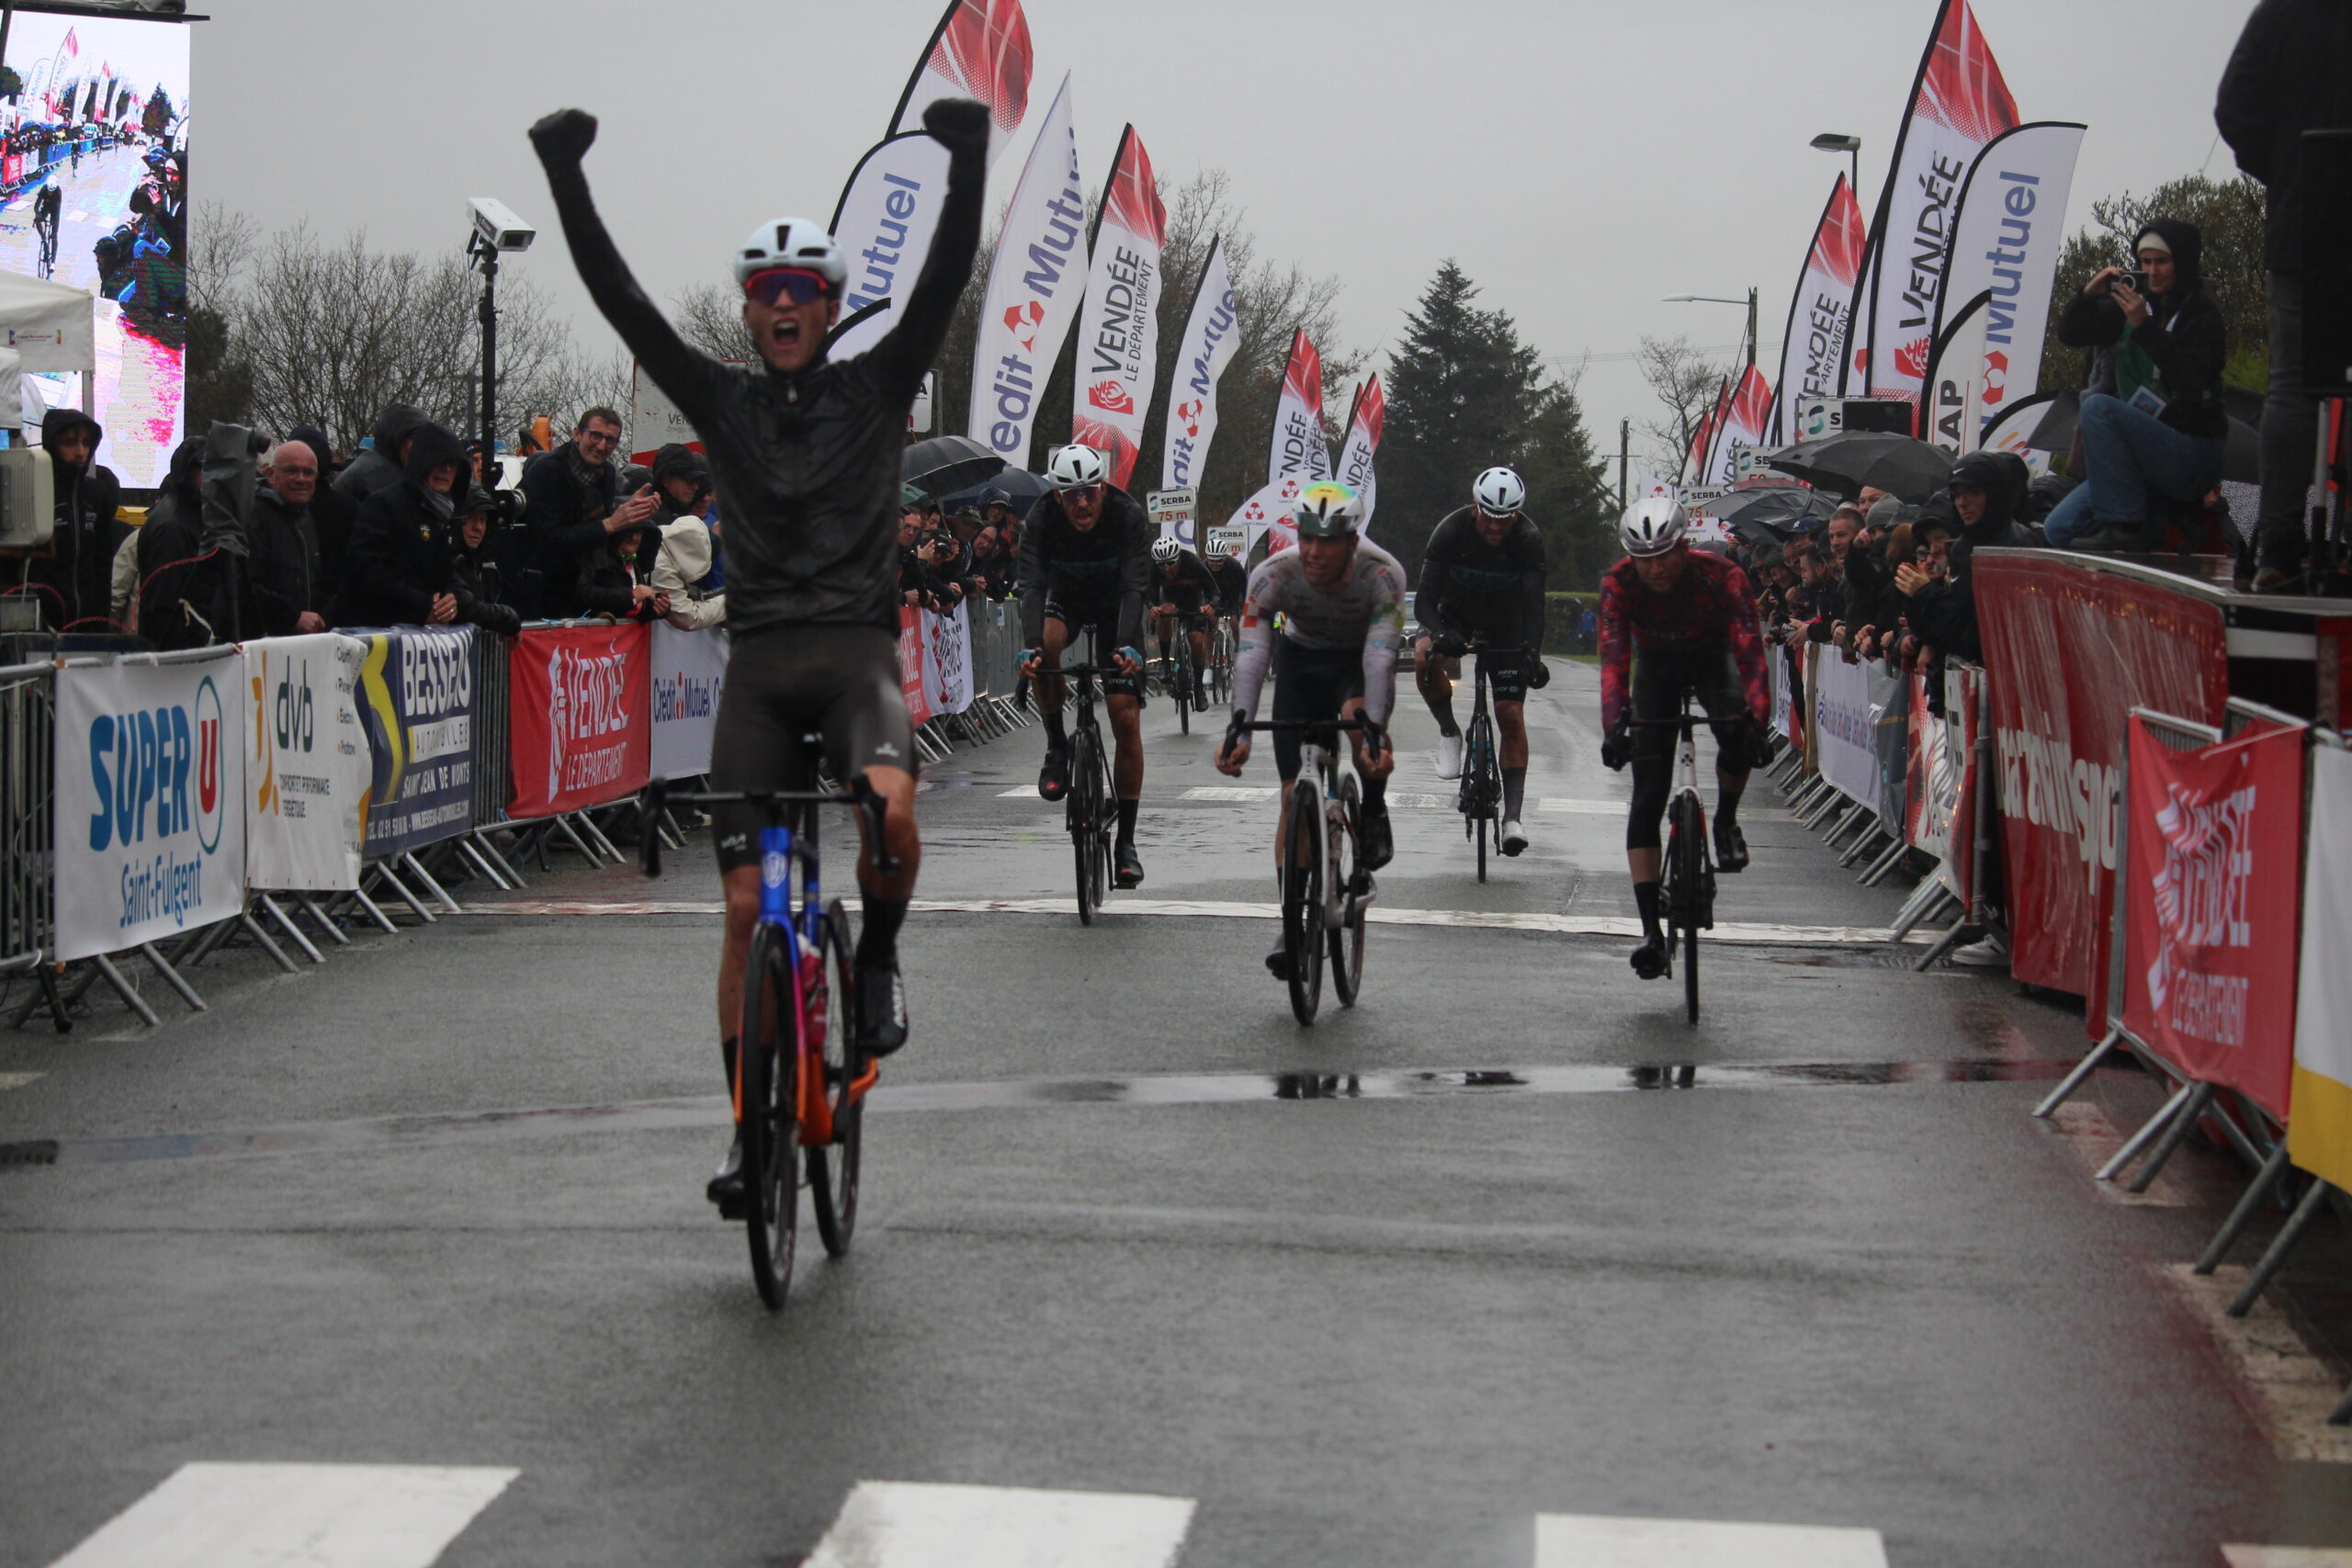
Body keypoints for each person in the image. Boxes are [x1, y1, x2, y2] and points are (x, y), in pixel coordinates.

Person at [530, 93, 986, 1210]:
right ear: (748, 310)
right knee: (744, 911)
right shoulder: (720, 399)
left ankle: (874, 959)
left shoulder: (876, 386)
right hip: (762, 675)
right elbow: (623, 302)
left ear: (829, 306)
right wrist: (566, 177)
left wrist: (968, 158)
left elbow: (941, 279)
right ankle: (748, 1130)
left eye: (803, 289)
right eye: (766, 290)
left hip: (856, 660)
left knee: (890, 810)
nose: (784, 304)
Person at [1214, 480, 1404, 976]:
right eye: (1307, 538)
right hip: (1300, 664)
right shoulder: (1273, 574)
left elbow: (1380, 659)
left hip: (1355, 663)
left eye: (1329, 541)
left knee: (1357, 724)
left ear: (1352, 540)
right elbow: (1252, 655)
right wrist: (1240, 731)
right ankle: (1291, 924)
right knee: (1290, 796)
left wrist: (1375, 734)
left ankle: (1374, 807)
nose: (1316, 552)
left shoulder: (1382, 573)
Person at [1596, 497, 1773, 981]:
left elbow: (1750, 654)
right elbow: (1613, 660)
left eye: (1664, 556)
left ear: (1682, 547)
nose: (1655, 568)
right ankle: (1650, 932)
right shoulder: (1619, 582)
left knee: (1735, 730)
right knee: (1648, 793)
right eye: (1644, 559)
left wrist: (1757, 723)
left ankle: (1726, 821)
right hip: (1656, 666)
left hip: (1712, 658)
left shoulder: (1722, 576)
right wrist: (1614, 728)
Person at [2216, 0, 2346, 588]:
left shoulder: (2284, 12)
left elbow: (2235, 108)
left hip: (2306, 217)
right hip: (2305, 212)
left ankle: (2278, 544)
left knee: (2291, 384)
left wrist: (2288, 167)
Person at [2043, 220, 2230, 551]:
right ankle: (2142, 531)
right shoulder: (2129, 305)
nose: (2152, 271)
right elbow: (2071, 334)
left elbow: (2191, 379)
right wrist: (2087, 296)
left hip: (2191, 448)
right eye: (2145, 262)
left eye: (2162, 262)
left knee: (2099, 408)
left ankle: (2125, 523)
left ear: (2182, 263)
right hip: (2142, 453)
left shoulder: (2202, 315)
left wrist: (2145, 326)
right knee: (2059, 529)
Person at [1016, 443, 1154, 887]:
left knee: (1124, 715)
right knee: (1045, 650)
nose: (1081, 503)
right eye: (1071, 494)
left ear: (1103, 488)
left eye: (1089, 492)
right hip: (1067, 600)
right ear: (1057, 496)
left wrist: (1128, 645)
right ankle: (1057, 746)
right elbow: (1032, 586)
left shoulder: (1127, 514)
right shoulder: (1040, 519)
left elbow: (1135, 586)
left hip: (1117, 608)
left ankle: (1126, 843)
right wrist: (1030, 646)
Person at [1413, 466, 1550, 853]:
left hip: (1507, 622)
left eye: (1505, 519)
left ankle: (1512, 820)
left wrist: (1532, 653)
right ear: (1475, 506)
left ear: (1517, 515)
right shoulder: (1450, 530)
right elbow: (1424, 601)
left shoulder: (1528, 539)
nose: (1495, 526)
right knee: (1423, 658)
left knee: (1510, 714)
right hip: (1454, 615)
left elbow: (1534, 606)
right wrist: (1441, 632)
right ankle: (1449, 733)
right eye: (1489, 516)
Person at [519, 406, 661, 617]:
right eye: (595, 436)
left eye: (610, 440)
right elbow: (547, 540)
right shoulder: (547, 470)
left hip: (581, 587)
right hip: (538, 590)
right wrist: (610, 524)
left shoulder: (608, 474)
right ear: (577, 434)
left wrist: (632, 516)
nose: (601, 446)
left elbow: (599, 549)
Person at [338, 422, 469, 627]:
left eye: (453, 464)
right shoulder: (383, 505)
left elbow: (448, 573)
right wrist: (422, 606)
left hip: (423, 635)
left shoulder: (447, 515)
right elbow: (367, 571)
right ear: (422, 461)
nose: (447, 469)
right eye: (440, 461)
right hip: (376, 631)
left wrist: (451, 599)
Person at [1895, 457, 2019, 665]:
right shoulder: (1962, 549)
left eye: (1973, 492)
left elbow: (1974, 634)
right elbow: (1946, 633)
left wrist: (1925, 593)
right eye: (1957, 495)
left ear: (1994, 494)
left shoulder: (2015, 544)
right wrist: (1916, 598)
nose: (1962, 502)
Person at [22, 409, 126, 633]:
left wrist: (101, 619)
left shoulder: (96, 494)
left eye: (86, 443)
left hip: (88, 623)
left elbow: (103, 563)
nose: (80, 452)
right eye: (70, 443)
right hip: (41, 623)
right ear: (52, 444)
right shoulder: (33, 492)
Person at [243, 439, 333, 637]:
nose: (301, 479)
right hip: (262, 644)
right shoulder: (253, 517)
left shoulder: (304, 519)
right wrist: (293, 617)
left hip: (299, 642)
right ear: (270, 474)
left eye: (308, 472)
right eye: (292, 471)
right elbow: (246, 585)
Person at [1147, 534, 1220, 708]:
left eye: (1170, 563)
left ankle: (1198, 687)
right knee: (1165, 612)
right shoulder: (1154, 568)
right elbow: (1150, 592)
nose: (1166, 569)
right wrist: (1152, 607)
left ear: (1178, 558)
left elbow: (1214, 591)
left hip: (1194, 602)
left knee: (1196, 640)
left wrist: (1211, 606)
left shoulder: (1193, 563)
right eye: (1162, 565)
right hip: (1171, 601)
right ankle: (1165, 663)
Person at [448, 487, 524, 637]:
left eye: (482, 520)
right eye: (471, 518)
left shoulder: (483, 562)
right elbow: (467, 608)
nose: (478, 527)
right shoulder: (448, 558)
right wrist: (508, 618)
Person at [333, 403, 429, 505]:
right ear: (396, 437)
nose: (421, 445)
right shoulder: (376, 474)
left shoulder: (388, 464)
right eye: (414, 437)